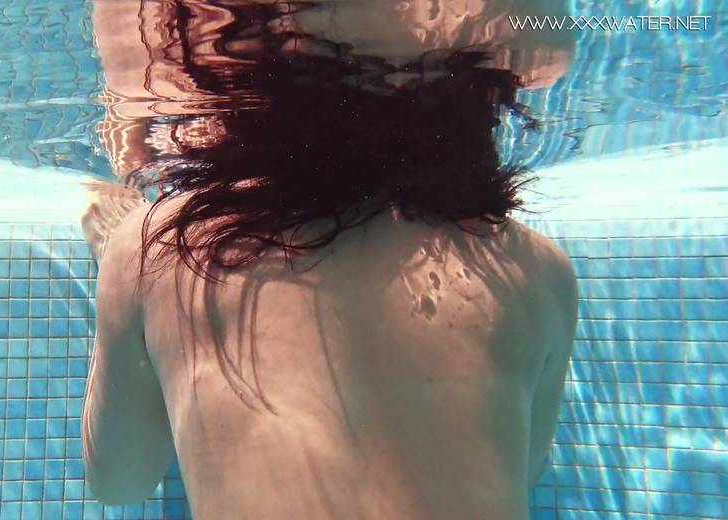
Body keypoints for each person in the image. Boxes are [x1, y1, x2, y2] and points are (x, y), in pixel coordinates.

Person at [81, 1, 578, 518]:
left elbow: (120, 482)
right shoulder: (538, 273)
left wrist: (123, 278)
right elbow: (519, 467)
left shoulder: (161, 249)